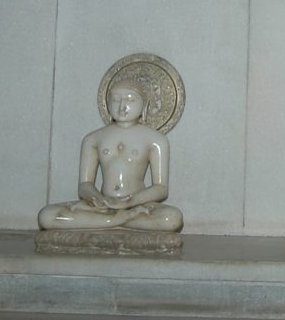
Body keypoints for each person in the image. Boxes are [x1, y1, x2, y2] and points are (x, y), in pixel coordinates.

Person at [38, 80, 182, 232]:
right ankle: (118, 219)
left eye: (130, 100)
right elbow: (85, 185)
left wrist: (129, 202)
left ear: (144, 106)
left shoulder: (156, 140)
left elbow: (161, 188)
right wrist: (97, 198)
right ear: (107, 104)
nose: (122, 106)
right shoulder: (93, 139)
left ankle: (106, 221)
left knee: (172, 218)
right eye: (116, 100)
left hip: (137, 204)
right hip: (102, 205)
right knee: (46, 216)